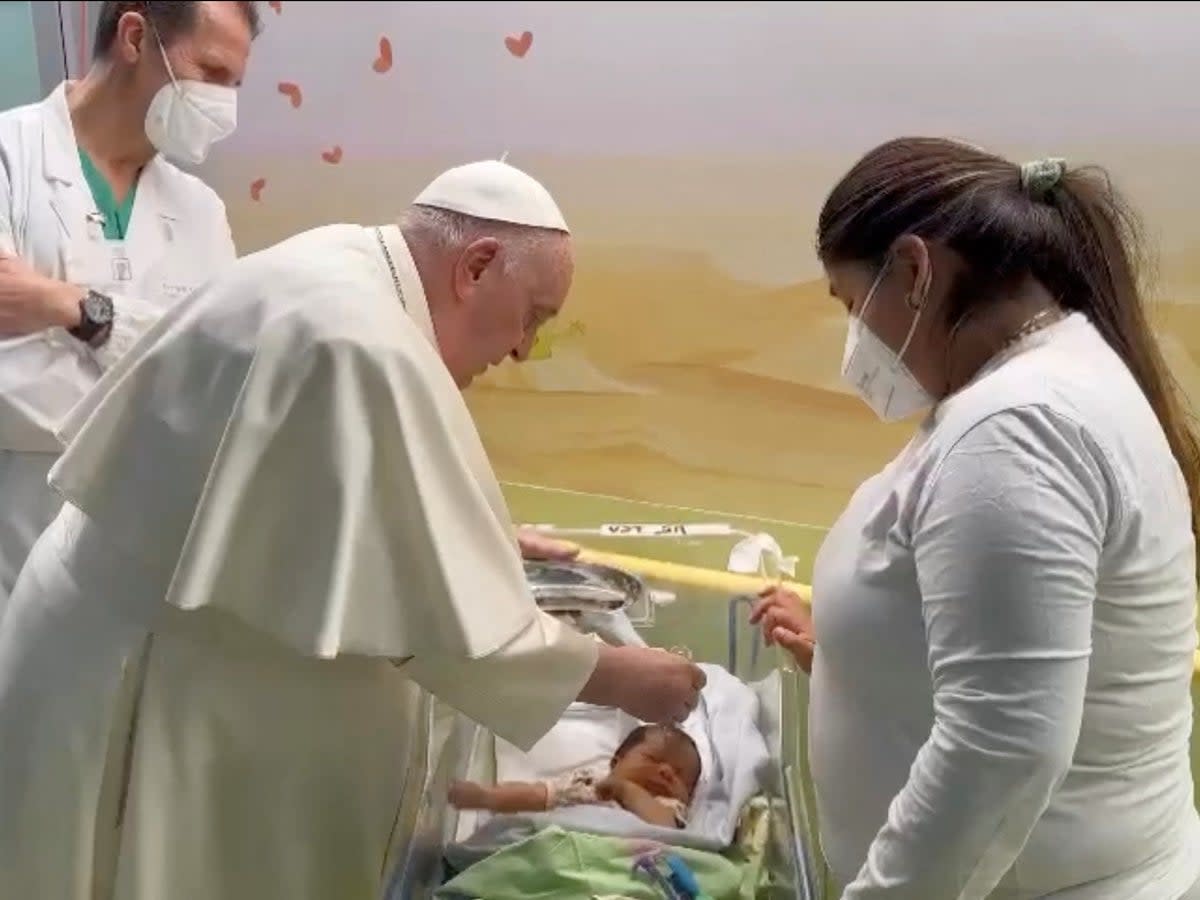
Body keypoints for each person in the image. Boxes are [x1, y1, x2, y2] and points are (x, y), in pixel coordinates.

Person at [0, 158, 707, 900]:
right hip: (156, 693)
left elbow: (314, 498)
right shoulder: (362, 338)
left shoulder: (340, 267)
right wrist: (615, 673)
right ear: (478, 266)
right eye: (533, 314)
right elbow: (455, 639)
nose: (523, 348)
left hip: (128, 647)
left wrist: (472, 541)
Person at [752, 138, 1200, 899]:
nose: (855, 342)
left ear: (915, 272)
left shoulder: (1017, 429)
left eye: (848, 303)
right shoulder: (1047, 389)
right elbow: (1018, 649)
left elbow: (1003, 747)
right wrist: (858, 652)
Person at [0, 0, 258, 614]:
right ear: (136, 37)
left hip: (152, 564)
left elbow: (220, 379)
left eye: (236, 85)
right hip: (15, 550)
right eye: (213, 73)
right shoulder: (9, 158)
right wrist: (159, 380)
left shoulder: (201, 211)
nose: (225, 105)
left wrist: (65, 306)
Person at [450, 721, 702, 830]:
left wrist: (627, 790)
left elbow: (664, 828)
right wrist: (485, 797)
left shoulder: (668, 807)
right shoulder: (588, 782)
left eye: (680, 776)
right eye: (653, 759)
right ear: (617, 762)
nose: (666, 771)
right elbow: (537, 795)